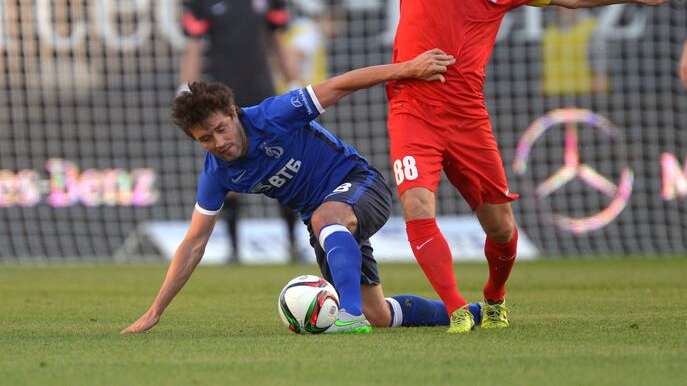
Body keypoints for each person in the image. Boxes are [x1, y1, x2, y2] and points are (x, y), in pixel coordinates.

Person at [343, 0, 685, 333]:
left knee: (501, 228)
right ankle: (458, 309)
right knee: (417, 202)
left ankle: (495, 298)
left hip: (468, 119)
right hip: (412, 110)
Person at [122, 49, 488, 335]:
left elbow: (343, 83)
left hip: (362, 185)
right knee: (379, 315)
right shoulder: (216, 174)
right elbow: (193, 244)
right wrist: (156, 311)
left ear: (234, 113)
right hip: (325, 225)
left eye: (220, 129)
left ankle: (347, 316)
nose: (218, 142)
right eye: (205, 139)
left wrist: (408, 68)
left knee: (326, 222)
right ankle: (473, 313)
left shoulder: (274, 114)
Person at [180, 0, 302, 263]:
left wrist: (292, 81)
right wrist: (185, 86)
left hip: (263, 97)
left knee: (283, 164)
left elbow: (279, 42)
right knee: (229, 169)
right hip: (221, 102)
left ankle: (294, 241)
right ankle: (233, 248)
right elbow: (193, 47)